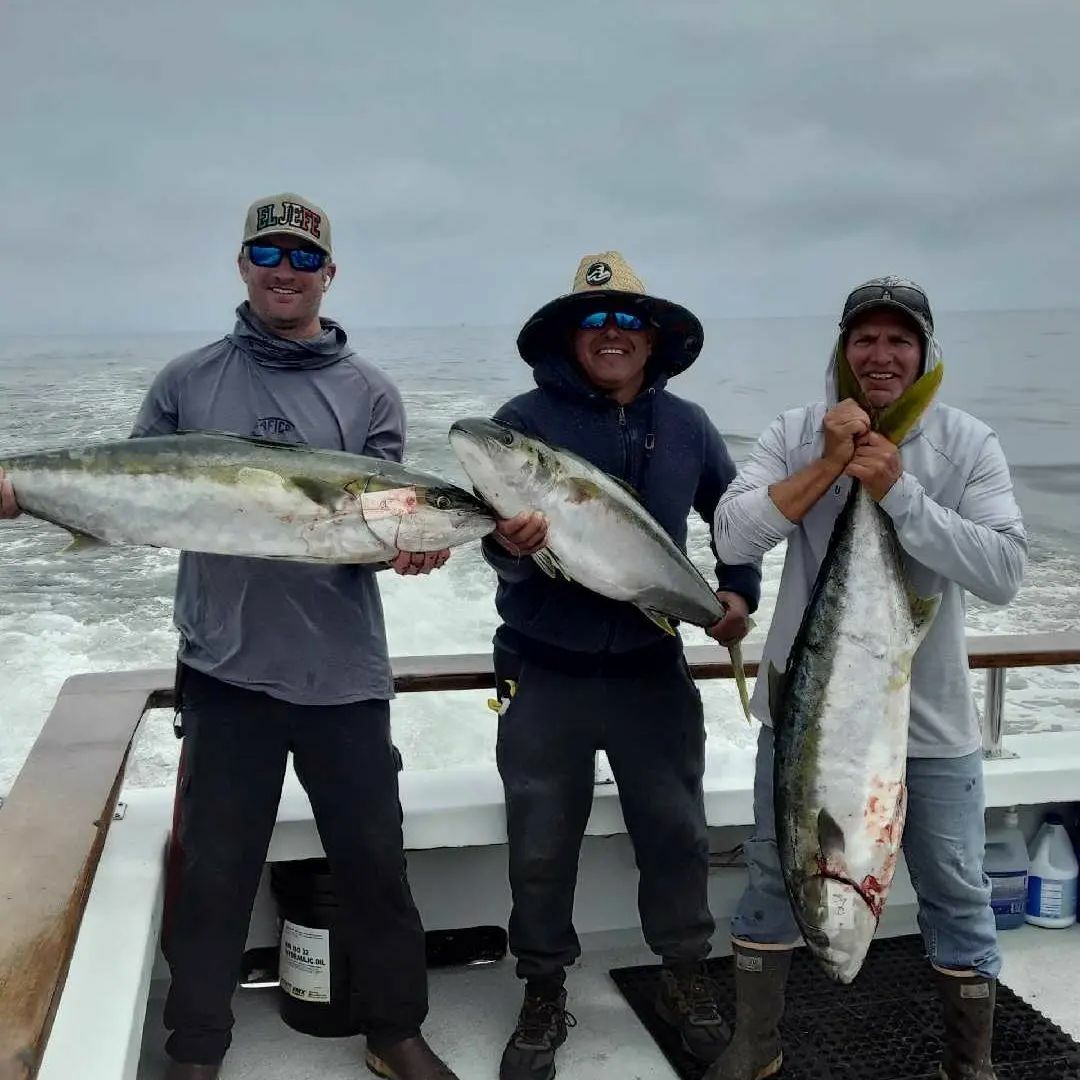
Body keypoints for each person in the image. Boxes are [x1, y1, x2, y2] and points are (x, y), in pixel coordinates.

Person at [1, 193, 460, 1080]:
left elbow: (379, 523)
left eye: (302, 257)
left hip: (344, 681)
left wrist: (418, 547)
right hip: (224, 673)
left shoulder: (369, 394)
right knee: (211, 874)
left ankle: (395, 1031)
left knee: (375, 867)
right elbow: (133, 493)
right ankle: (197, 1048)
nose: (284, 270)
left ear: (329, 273)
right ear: (244, 264)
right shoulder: (185, 380)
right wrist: (30, 494)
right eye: (268, 252)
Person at [708, 277, 1027, 1080]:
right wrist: (830, 464)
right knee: (771, 879)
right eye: (865, 340)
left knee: (956, 889)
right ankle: (756, 1047)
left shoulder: (965, 443)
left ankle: (972, 1063)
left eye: (899, 341)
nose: (881, 356)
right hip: (808, 717)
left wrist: (896, 490)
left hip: (935, 724)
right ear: (842, 350)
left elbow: (1003, 572)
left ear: (924, 353)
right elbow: (733, 529)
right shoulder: (793, 432)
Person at [480, 252, 761, 1080]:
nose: (611, 333)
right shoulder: (521, 423)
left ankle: (684, 978)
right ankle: (540, 989)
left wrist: (736, 592)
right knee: (538, 844)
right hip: (543, 671)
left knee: (675, 835)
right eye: (594, 320)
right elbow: (495, 550)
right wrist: (509, 550)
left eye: (627, 320)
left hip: (651, 668)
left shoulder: (689, 426)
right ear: (572, 336)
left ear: (652, 338)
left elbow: (734, 519)